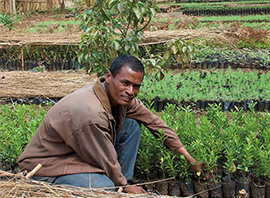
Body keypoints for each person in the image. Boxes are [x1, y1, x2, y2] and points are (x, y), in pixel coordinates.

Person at [18, 54, 203, 194]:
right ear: (108, 77)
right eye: (125, 83)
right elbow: (105, 157)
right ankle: (120, 186)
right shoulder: (91, 112)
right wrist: (122, 186)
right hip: (47, 166)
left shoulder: (121, 99)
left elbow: (155, 124)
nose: (131, 91)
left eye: (136, 86)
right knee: (105, 187)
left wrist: (188, 157)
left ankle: (122, 181)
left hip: (74, 152)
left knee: (131, 125)